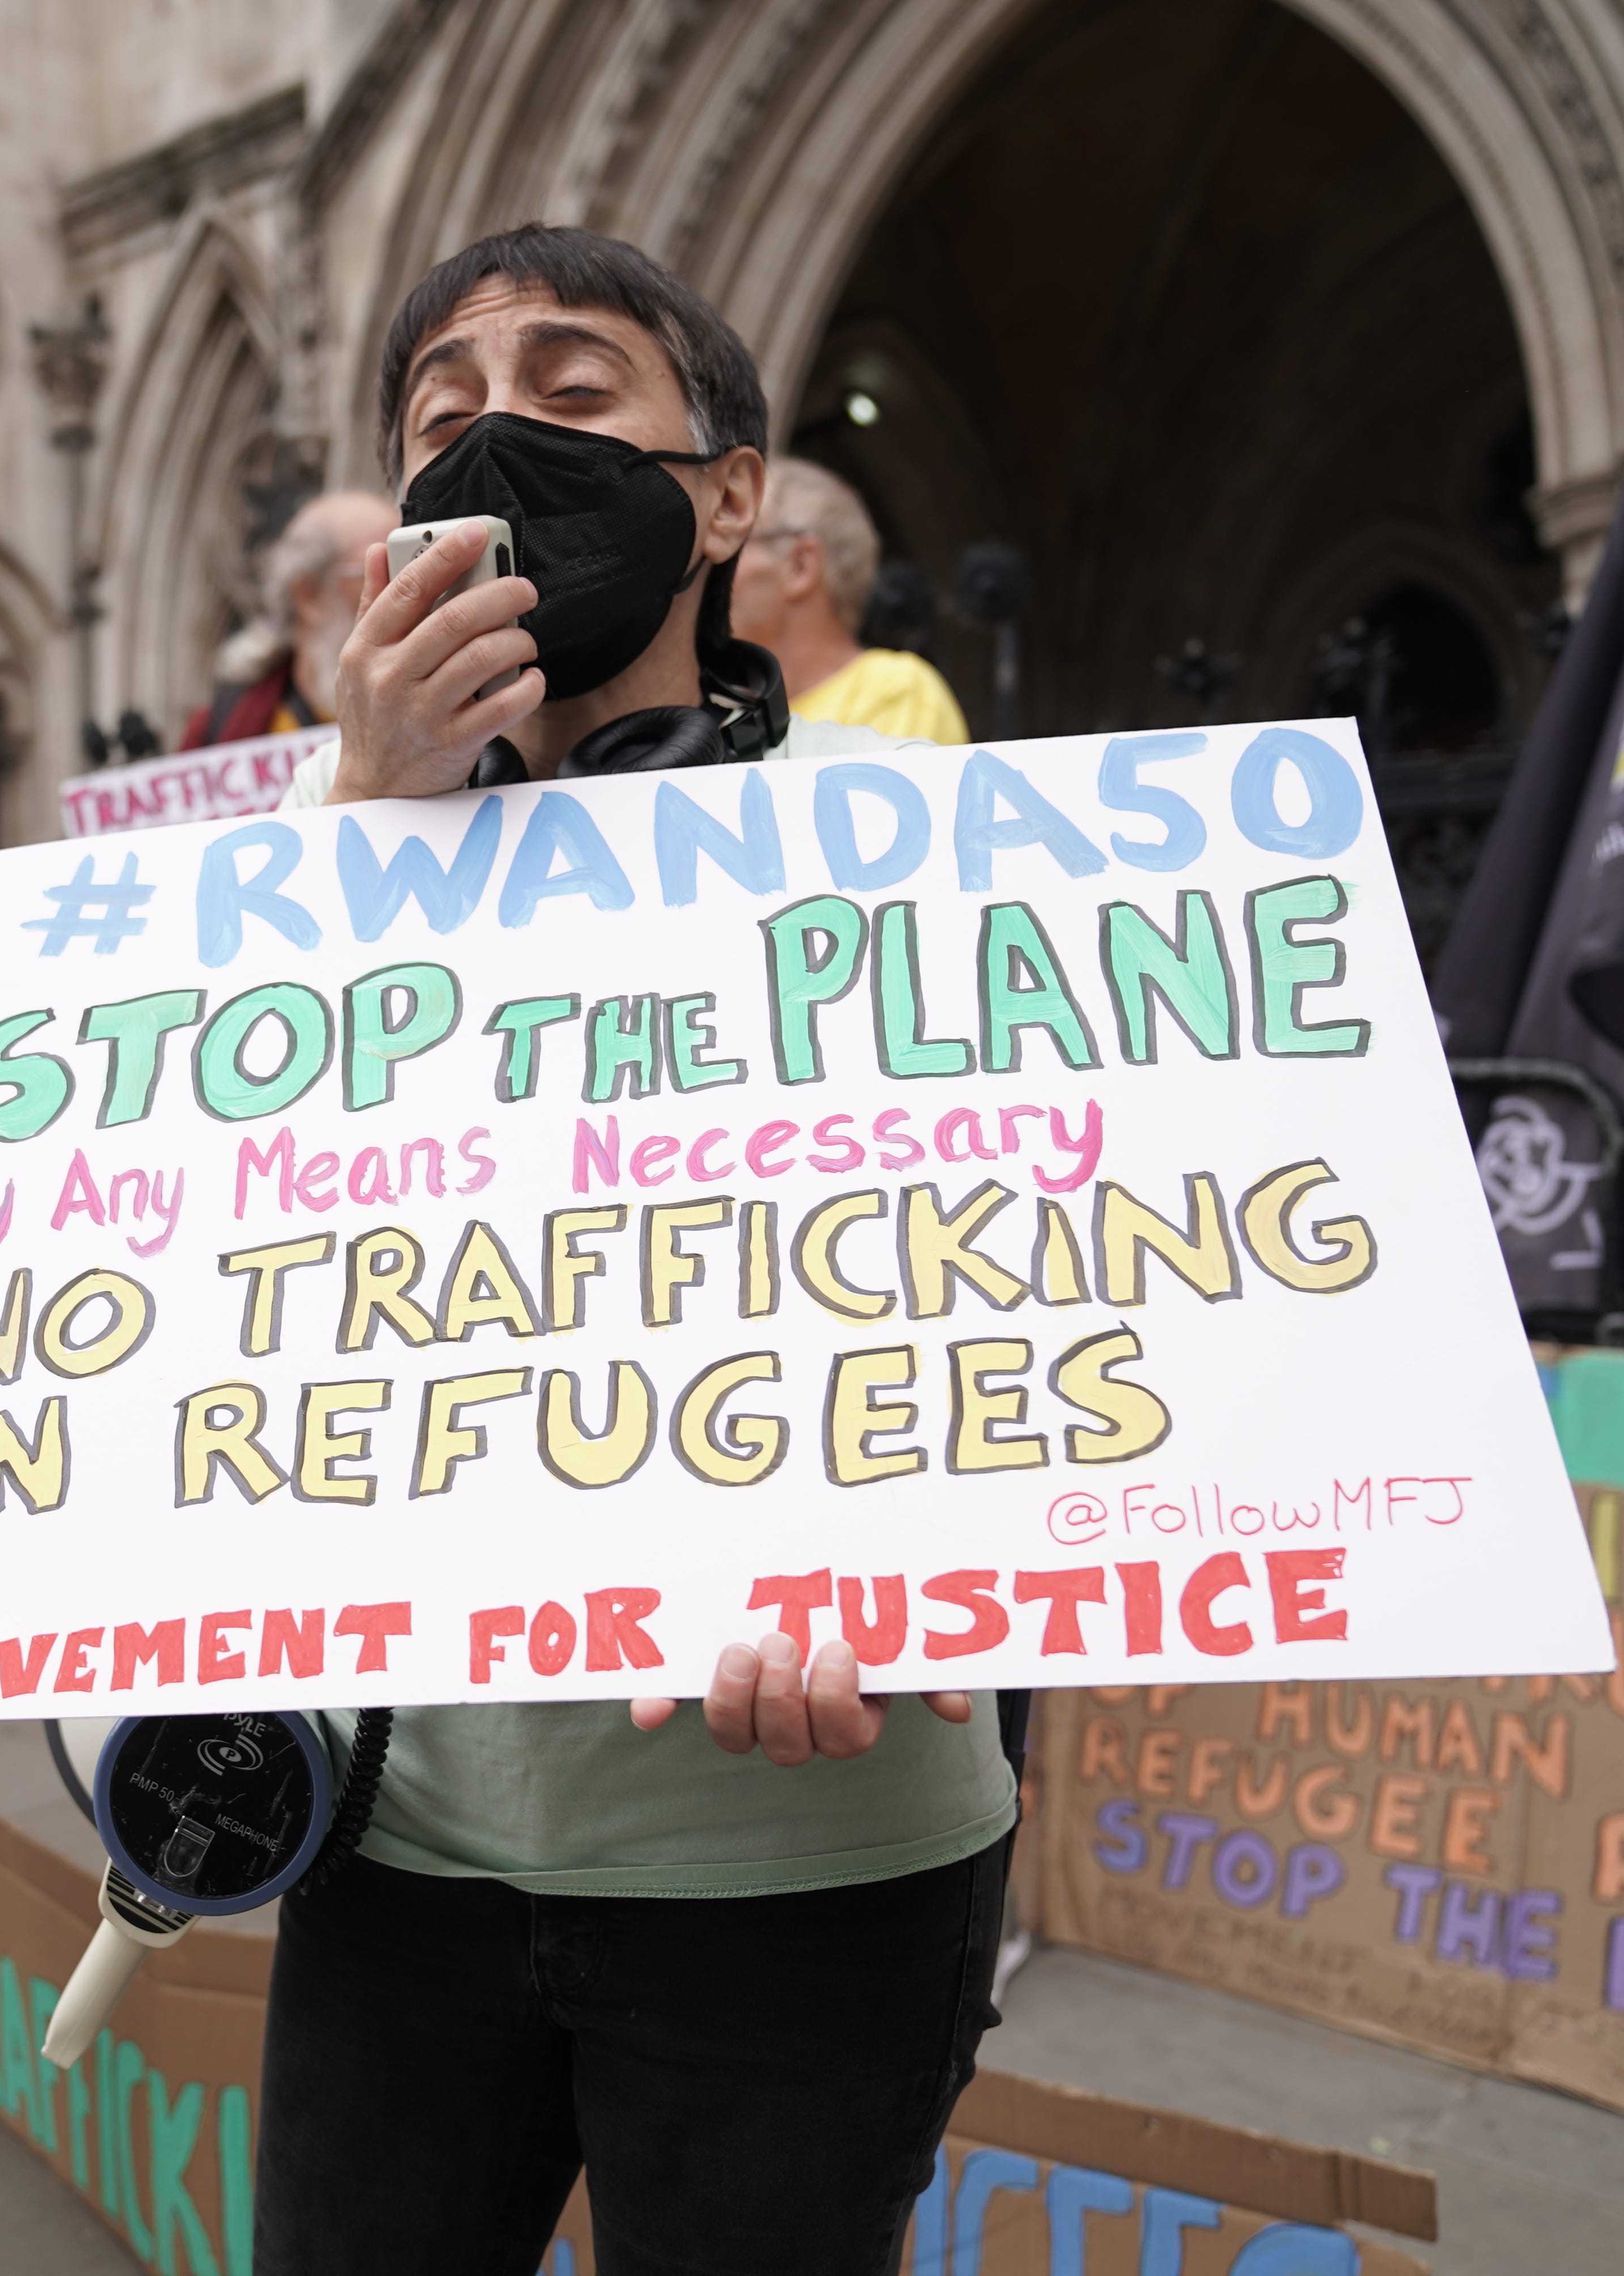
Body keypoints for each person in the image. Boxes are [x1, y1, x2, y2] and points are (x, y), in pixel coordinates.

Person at [268, 224, 1018, 2275]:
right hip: (405, 1835)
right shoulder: (289, 876)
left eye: (574, 391)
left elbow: (1052, 1286)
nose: (501, 434)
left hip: (809, 1846)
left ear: (728, 494)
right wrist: (370, 839)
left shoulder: (940, 842)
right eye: (444, 416)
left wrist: (966, 1562)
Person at [723, 455, 970, 743]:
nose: (713, 557)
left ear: (801, 566)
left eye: (735, 537)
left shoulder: (894, 691)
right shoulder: (732, 714)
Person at [177, 489, 397, 747]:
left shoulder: (432, 716)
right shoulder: (222, 730)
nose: (401, 587)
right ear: (309, 595)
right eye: (377, 569)